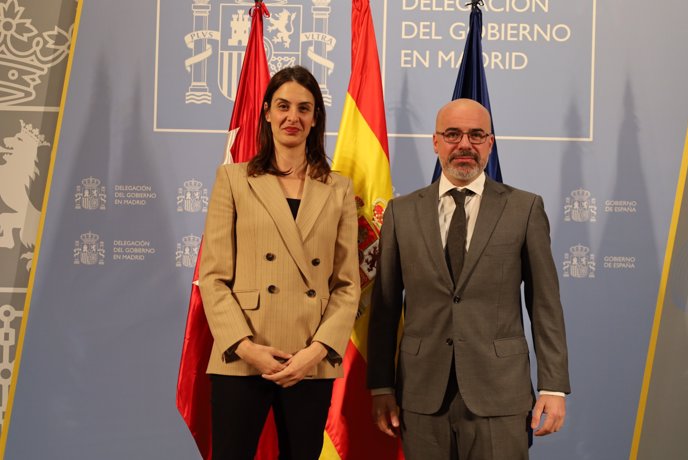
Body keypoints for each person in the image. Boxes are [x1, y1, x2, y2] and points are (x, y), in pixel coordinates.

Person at [367, 98, 570, 459]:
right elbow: (384, 307)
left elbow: (544, 304)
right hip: (421, 394)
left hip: (501, 394)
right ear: (435, 142)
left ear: (490, 144)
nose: (464, 144)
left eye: (476, 135)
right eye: (453, 134)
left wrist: (553, 386)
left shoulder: (524, 208)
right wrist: (380, 385)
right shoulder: (402, 212)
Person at [199, 66, 360, 460]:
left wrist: (317, 350)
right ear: (267, 112)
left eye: (304, 108)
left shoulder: (338, 188)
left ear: (315, 118)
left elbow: (346, 284)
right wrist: (244, 346)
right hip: (243, 353)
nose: (293, 117)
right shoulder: (233, 180)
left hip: (309, 358)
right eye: (283, 106)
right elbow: (214, 276)